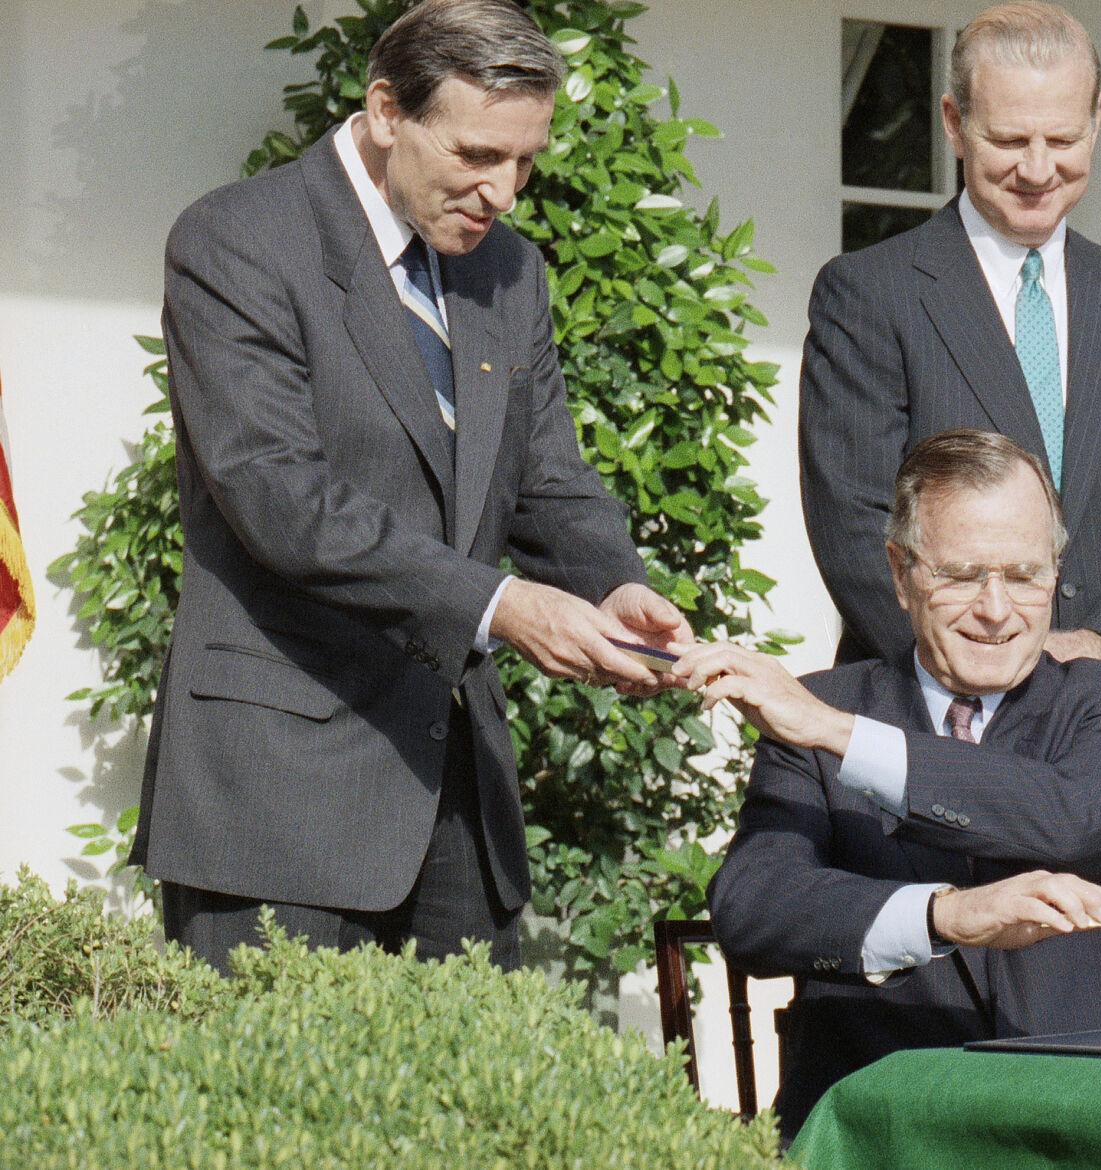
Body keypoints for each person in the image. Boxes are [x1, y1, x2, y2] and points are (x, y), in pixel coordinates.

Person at [130, 0, 690, 973]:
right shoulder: (237, 242)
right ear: (387, 110)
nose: (504, 191)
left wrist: (616, 586)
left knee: (475, 1120)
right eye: (477, 155)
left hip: (456, 805)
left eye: (524, 160)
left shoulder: (509, 274)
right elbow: (279, 498)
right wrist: (502, 606)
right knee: (278, 1123)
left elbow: (549, 478)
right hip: (277, 809)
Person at [674, 430, 1101, 1140]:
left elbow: (1077, 816)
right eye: (963, 575)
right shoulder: (818, 708)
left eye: (1026, 576)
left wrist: (840, 735)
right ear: (900, 572)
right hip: (871, 1128)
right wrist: (942, 916)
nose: (997, 610)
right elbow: (753, 910)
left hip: (1082, 1126)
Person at [800, 0, 1101, 685]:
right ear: (954, 124)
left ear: (1096, 122)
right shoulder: (869, 295)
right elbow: (856, 528)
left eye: (1060, 141)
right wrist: (990, 678)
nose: (1036, 170)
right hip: (928, 723)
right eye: (1009, 140)